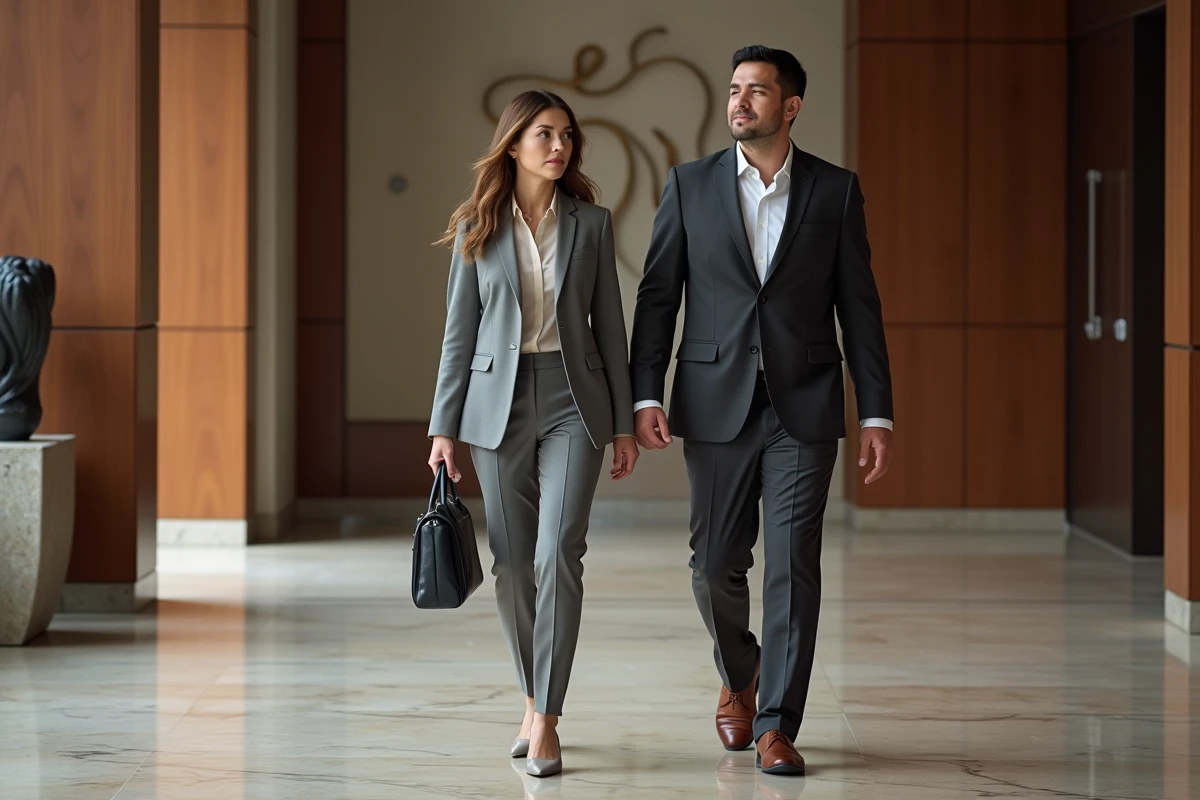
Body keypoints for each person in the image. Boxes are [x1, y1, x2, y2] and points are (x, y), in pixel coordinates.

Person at [629, 45, 895, 776]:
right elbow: (658, 297)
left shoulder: (834, 191)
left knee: (793, 569)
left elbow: (861, 309)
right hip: (713, 403)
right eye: (735, 90)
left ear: (791, 107)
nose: (741, 102)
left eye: (758, 91)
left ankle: (777, 723)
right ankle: (740, 672)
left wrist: (877, 413)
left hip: (804, 407)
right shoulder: (689, 185)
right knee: (713, 565)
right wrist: (645, 392)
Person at [428, 89, 639, 778]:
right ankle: (531, 696)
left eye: (567, 136)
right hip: (496, 407)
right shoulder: (476, 227)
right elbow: (458, 338)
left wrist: (626, 420)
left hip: (575, 401)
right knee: (513, 563)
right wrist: (444, 429)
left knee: (558, 552)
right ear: (513, 144)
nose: (559, 146)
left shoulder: (593, 224)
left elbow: (610, 325)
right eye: (544, 134)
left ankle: (545, 719)